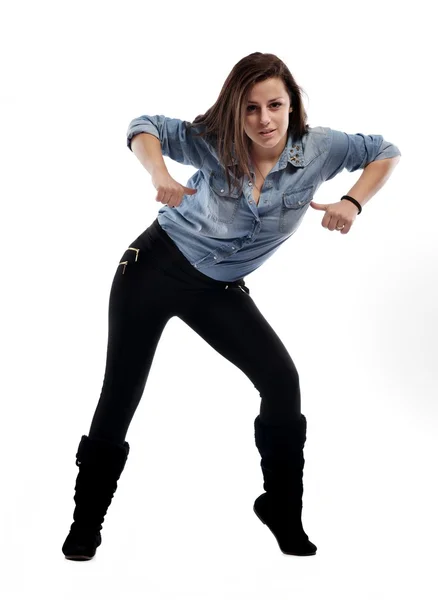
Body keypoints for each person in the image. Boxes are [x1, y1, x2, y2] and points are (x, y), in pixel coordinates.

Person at [61, 52, 401, 561]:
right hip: (152, 271)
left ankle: (282, 509)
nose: (264, 119)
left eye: (275, 105)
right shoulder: (213, 143)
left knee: (282, 382)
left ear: (292, 106)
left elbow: (386, 150)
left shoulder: (321, 149)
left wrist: (352, 202)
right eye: (250, 109)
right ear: (234, 111)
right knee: (121, 393)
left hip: (218, 288)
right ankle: (85, 523)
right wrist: (160, 173)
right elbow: (144, 125)